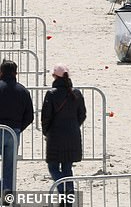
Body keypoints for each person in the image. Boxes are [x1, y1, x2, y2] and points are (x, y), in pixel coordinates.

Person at [42, 65, 87, 199]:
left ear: (55, 77)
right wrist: (74, 125)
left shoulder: (52, 93)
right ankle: (69, 193)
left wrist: (46, 131)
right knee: (67, 168)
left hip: (55, 135)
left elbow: (46, 117)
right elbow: (82, 114)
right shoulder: (76, 93)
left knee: (53, 167)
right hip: (72, 134)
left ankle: (63, 191)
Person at [0, 59, 34, 197]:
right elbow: (30, 115)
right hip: (13, 132)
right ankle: (7, 190)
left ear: (1, 72)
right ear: (16, 73)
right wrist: (18, 128)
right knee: (9, 165)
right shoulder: (23, 90)